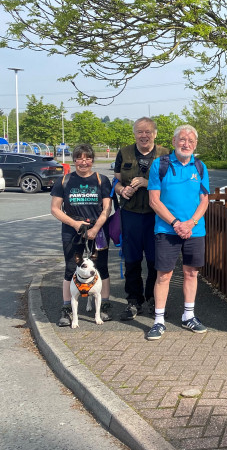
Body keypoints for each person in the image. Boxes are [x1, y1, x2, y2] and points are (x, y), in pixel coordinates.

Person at [146, 124, 210, 341]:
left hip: (195, 230)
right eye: (182, 139)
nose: (186, 144)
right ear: (174, 142)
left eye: (191, 141)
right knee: (164, 275)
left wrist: (190, 223)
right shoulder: (159, 165)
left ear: (196, 145)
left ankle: (188, 315)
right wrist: (175, 223)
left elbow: (204, 200)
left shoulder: (200, 167)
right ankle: (159, 320)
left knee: (192, 273)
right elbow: (154, 201)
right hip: (166, 229)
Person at [113, 117, 170, 321]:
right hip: (131, 214)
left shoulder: (165, 155)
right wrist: (122, 190)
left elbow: (171, 185)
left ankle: (154, 299)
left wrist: (148, 183)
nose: (144, 135)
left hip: (157, 216)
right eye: (139, 131)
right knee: (132, 260)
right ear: (134, 133)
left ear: (155, 133)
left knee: (156, 260)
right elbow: (116, 180)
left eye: (148, 132)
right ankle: (133, 300)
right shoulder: (124, 152)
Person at [51, 143, 113, 326]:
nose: (83, 162)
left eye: (87, 158)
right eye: (79, 158)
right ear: (74, 160)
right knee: (71, 268)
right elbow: (55, 209)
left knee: (101, 266)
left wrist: (95, 229)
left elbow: (107, 208)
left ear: (92, 160)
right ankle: (67, 308)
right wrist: (75, 224)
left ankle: (105, 305)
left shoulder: (102, 180)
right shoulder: (64, 181)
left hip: (98, 228)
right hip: (72, 229)